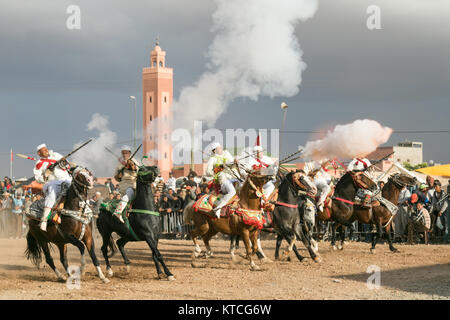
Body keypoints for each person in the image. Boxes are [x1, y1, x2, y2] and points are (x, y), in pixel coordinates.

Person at [33, 143, 74, 231]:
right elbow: (38, 178)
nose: (46, 150)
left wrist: (64, 162)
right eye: (43, 150)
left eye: (46, 149)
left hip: (66, 179)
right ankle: (44, 219)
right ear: (39, 153)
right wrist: (46, 174)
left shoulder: (56, 155)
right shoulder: (39, 163)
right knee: (52, 191)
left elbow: (67, 166)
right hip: (51, 183)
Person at [206, 142, 237, 218]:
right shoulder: (212, 159)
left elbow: (231, 163)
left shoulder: (226, 154)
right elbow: (208, 172)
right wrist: (218, 168)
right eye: (219, 148)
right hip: (223, 180)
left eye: (220, 147)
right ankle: (218, 208)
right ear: (214, 151)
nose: (221, 149)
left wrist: (235, 162)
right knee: (232, 191)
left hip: (233, 178)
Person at [112, 145, 140, 223]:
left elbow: (136, 169)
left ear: (129, 153)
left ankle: (119, 211)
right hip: (123, 184)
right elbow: (116, 178)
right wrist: (119, 175)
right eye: (123, 153)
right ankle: (119, 213)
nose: (124, 155)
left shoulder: (134, 161)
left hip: (133, 183)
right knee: (128, 192)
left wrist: (131, 165)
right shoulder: (119, 165)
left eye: (126, 153)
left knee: (130, 191)